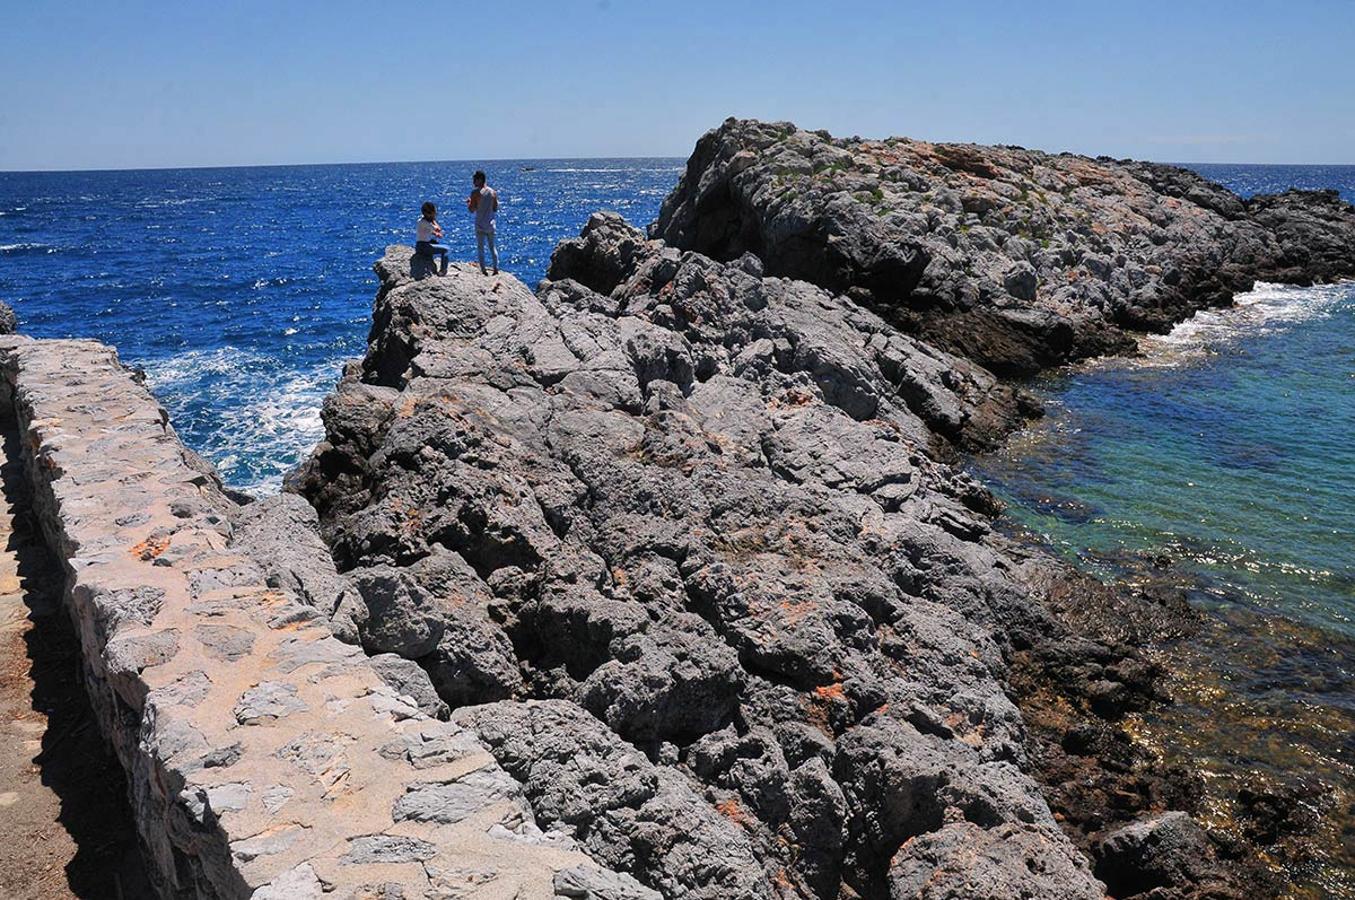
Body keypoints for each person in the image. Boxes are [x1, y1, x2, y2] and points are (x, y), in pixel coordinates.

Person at [467, 170, 499, 275]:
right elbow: (495, 208)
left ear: (480, 180)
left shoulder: (475, 193)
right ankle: (495, 269)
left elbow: (472, 209)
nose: (473, 182)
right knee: (492, 247)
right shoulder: (493, 192)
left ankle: (484, 270)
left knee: (480, 248)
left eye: (475, 180)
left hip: (480, 224)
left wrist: (469, 203)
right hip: (490, 223)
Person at [415, 201, 449, 275]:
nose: (435, 214)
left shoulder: (421, 221)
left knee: (435, 242)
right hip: (424, 247)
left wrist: (435, 234)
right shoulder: (426, 222)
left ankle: (431, 262)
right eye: (434, 213)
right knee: (446, 249)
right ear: (429, 213)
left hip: (420, 245)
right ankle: (443, 271)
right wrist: (433, 220)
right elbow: (438, 228)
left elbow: (427, 231)